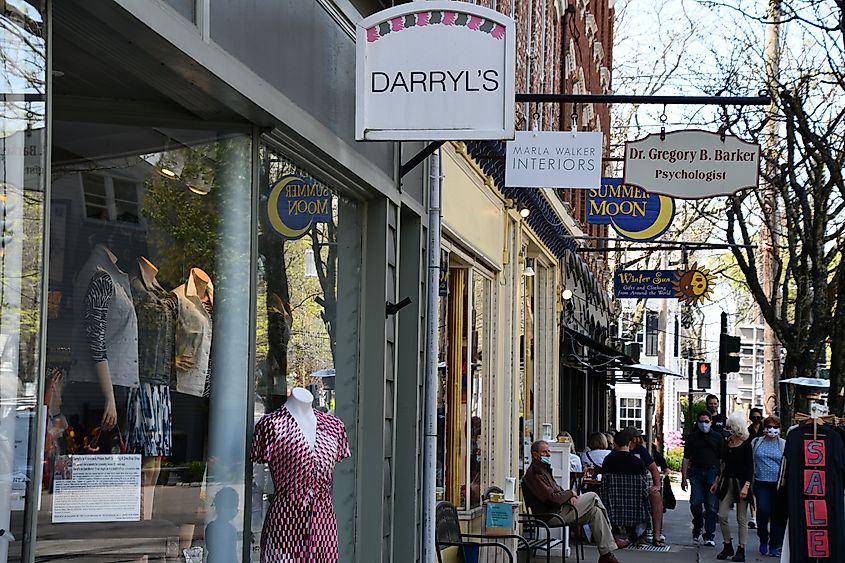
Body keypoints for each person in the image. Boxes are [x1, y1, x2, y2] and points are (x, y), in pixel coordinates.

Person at [522, 440, 629, 563]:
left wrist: (569, 496)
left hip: (559, 510)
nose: (548, 455)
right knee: (593, 496)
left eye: (549, 451)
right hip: (551, 515)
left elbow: (558, 491)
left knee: (595, 512)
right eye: (544, 452)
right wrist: (571, 493)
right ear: (535, 454)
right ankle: (612, 537)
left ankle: (606, 555)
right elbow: (552, 498)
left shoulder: (544, 470)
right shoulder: (535, 474)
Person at [712, 411, 753, 562]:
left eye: (729, 427)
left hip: (741, 482)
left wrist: (746, 486)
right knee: (722, 515)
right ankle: (727, 543)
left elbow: (749, 468)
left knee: (741, 518)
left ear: (736, 428)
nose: (727, 430)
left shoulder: (746, 446)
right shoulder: (727, 444)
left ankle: (741, 548)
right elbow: (722, 465)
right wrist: (717, 482)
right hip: (727, 482)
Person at [681, 410, 722, 546]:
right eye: (701, 421)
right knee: (695, 503)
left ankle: (709, 534)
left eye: (706, 421)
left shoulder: (717, 437)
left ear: (711, 422)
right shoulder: (692, 438)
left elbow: (722, 459)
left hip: (712, 472)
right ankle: (698, 524)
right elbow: (686, 458)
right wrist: (683, 477)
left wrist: (718, 478)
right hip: (696, 472)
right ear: (697, 423)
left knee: (711, 507)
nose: (704, 424)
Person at [751, 415, 785, 558]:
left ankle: (774, 545)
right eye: (769, 426)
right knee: (763, 511)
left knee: (777, 515)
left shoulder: (783, 444)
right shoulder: (757, 442)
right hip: (761, 482)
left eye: (775, 427)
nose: (772, 429)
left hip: (778, 485)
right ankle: (763, 539)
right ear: (764, 428)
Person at [624, 428, 664, 546]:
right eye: (638, 437)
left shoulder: (641, 450)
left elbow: (653, 468)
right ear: (633, 439)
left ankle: (656, 536)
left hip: (640, 488)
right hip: (623, 490)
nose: (641, 439)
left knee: (656, 496)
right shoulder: (618, 451)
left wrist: (657, 486)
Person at [745, 408, 764, 531]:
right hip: (751, 463)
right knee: (752, 491)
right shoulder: (748, 431)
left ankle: (760, 515)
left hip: (763, 464)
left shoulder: (765, 430)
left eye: (758, 417)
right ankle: (754, 516)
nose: (756, 419)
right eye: (754, 417)